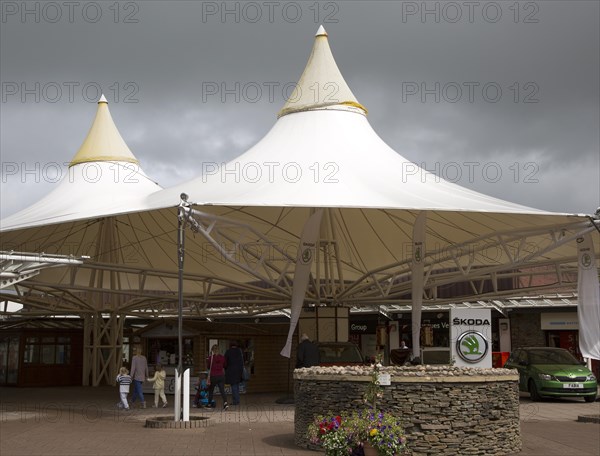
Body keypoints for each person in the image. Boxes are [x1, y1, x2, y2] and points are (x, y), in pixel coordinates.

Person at [206, 344, 228, 410]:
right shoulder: (222, 357)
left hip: (213, 376)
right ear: (218, 350)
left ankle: (209, 404)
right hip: (221, 375)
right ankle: (225, 403)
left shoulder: (210, 358)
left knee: (211, 391)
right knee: (222, 390)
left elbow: (208, 367)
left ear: (212, 350)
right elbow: (225, 365)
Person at [224, 341, 244, 406]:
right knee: (236, 386)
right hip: (238, 371)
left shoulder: (228, 352)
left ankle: (236, 401)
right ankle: (236, 400)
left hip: (231, 371)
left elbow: (225, 362)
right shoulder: (239, 351)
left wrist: (225, 368)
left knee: (234, 386)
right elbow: (241, 362)